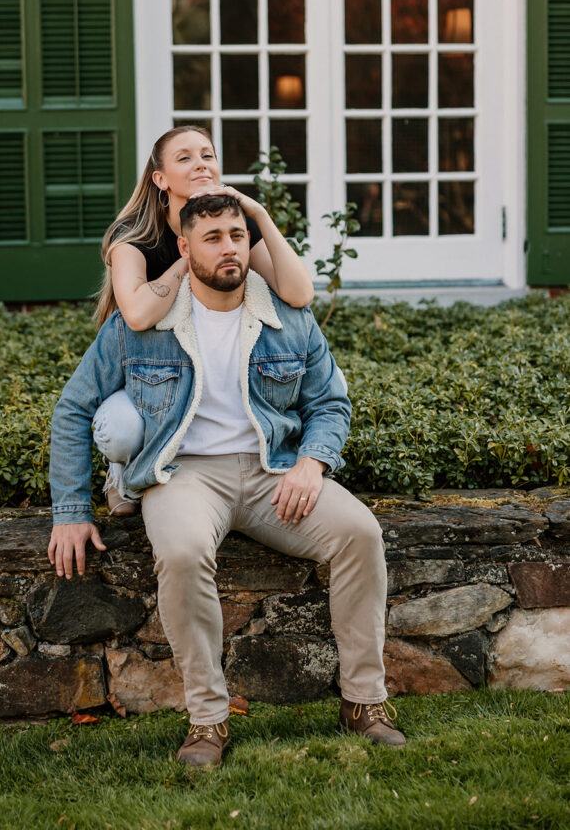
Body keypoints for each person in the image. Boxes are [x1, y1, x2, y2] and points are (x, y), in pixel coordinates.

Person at [48, 193, 404, 768]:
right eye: (212, 238)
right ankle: (207, 719)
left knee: (360, 533)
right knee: (184, 553)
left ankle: (364, 702)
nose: (229, 248)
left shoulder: (288, 317)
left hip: (274, 472)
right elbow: (72, 408)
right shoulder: (141, 324)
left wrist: (312, 463)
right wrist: (70, 511)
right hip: (183, 475)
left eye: (237, 236)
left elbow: (331, 404)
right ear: (185, 248)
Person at [91, 125, 314, 517]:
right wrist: (193, 253)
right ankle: (122, 471)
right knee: (124, 427)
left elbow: (298, 294)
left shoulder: (238, 225)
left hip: (208, 371)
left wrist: (257, 212)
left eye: (207, 155)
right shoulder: (134, 237)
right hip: (147, 379)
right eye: (185, 158)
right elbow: (139, 314)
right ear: (160, 179)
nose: (201, 165)